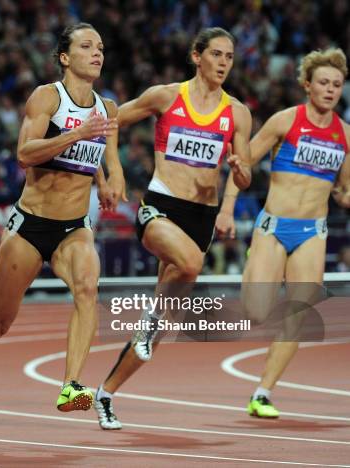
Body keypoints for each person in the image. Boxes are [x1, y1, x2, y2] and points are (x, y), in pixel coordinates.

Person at [0, 23, 125, 412]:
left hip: (74, 227)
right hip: (30, 226)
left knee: (87, 289)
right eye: (87, 47)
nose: (97, 53)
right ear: (65, 58)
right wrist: (76, 134)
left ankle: (72, 386)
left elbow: (111, 161)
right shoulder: (48, 97)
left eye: (100, 47)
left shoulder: (108, 109)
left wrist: (109, 182)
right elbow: (24, 153)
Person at [93, 27, 252, 430]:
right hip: (159, 208)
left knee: (158, 332)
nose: (222, 63)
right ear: (196, 56)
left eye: (229, 57)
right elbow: (109, 119)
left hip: (202, 217)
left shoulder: (238, 113)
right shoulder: (166, 96)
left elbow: (245, 172)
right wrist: (111, 173)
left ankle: (105, 394)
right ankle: (149, 321)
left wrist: (239, 171)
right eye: (215, 54)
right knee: (191, 266)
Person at [218, 48, 349, 418]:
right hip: (274, 228)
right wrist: (227, 208)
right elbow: (242, 165)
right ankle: (253, 260)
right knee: (257, 313)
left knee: (299, 315)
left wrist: (346, 194)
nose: (330, 89)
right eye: (323, 82)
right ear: (308, 85)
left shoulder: (345, 135)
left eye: (337, 85)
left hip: (313, 233)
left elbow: (345, 191)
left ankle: (262, 393)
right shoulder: (284, 121)